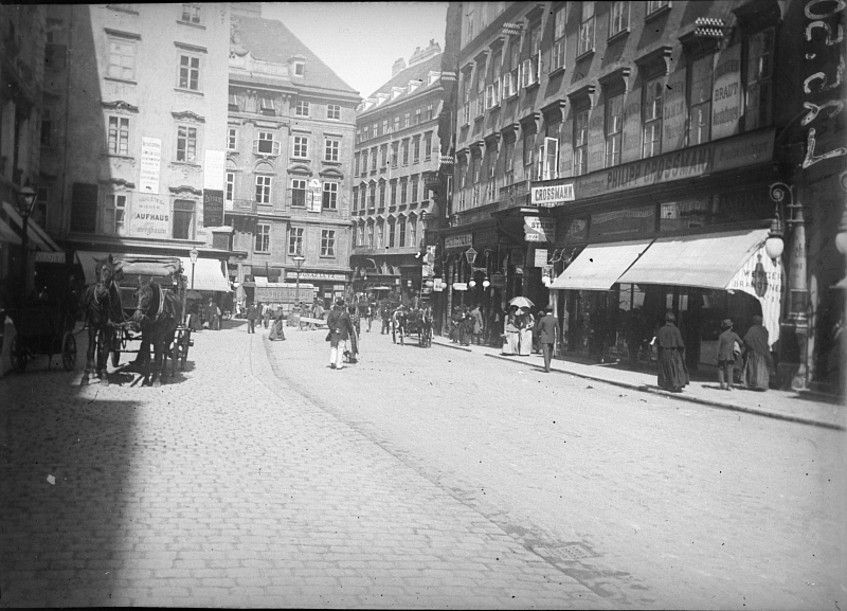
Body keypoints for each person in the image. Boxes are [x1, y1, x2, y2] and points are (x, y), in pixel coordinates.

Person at [656, 311, 688, 392]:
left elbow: (658, 341)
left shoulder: (662, 329)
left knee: (665, 369)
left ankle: (667, 384)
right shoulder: (676, 330)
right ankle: (675, 384)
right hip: (674, 352)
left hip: (664, 352)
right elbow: (680, 343)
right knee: (675, 369)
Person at [743, 314, 773, 391]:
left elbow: (747, 339)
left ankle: (754, 384)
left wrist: (750, 347)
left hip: (754, 352)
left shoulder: (752, 329)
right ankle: (762, 384)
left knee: (753, 368)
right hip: (763, 352)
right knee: (762, 368)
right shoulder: (765, 330)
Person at [716, 318, 743, 390]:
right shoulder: (734, 335)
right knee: (730, 370)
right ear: (731, 327)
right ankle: (729, 385)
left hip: (722, 355)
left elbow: (718, 347)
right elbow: (741, 342)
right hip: (731, 355)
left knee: (721, 369)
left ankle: (722, 384)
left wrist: (716, 356)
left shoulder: (721, 335)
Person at [326, 298, 352, 370]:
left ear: (336, 304)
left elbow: (328, 322)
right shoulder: (345, 314)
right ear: (343, 305)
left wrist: (333, 328)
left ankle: (332, 361)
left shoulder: (332, 313)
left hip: (334, 333)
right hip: (343, 333)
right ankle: (339, 365)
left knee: (333, 347)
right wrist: (351, 332)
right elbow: (349, 325)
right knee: (341, 349)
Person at [538, 307, 558, 373]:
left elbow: (539, 328)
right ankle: (548, 366)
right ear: (552, 311)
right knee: (550, 354)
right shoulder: (555, 319)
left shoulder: (543, 319)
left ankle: (547, 368)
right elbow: (558, 329)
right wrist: (558, 338)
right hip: (552, 338)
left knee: (546, 354)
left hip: (544, 338)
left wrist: (539, 335)